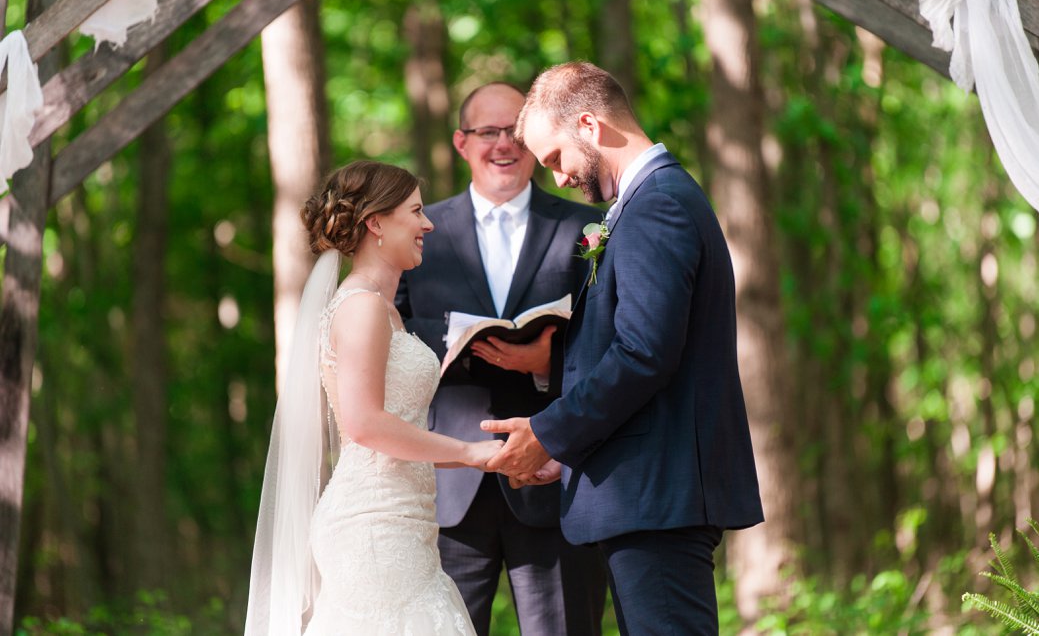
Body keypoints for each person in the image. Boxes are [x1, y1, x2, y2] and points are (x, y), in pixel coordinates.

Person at [481, 62, 765, 635]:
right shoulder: (649, 202)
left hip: (658, 495)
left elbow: (644, 353)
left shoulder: (657, 204)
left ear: (589, 124)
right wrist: (569, 450)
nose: (557, 178)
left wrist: (549, 433)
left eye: (556, 157)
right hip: (648, 490)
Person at [244, 161, 503, 636]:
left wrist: (495, 457)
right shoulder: (361, 306)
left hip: (405, 522)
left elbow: (401, 431)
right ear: (376, 223)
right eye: (416, 211)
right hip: (374, 530)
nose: (428, 224)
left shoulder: (384, 310)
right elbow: (365, 425)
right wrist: (470, 453)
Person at [396, 82, 608, 635]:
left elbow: (614, 337)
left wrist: (545, 361)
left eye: (515, 131)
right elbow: (385, 329)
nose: (503, 144)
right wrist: (448, 340)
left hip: (553, 472)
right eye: (488, 132)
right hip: (449, 485)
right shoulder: (419, 230)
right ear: (461, 142)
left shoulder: (586, 228)